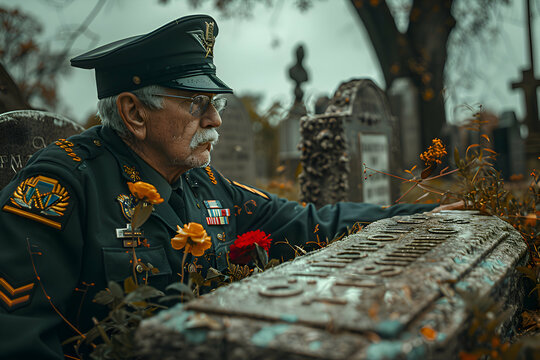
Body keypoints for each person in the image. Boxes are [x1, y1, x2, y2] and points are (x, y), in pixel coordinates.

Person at [0, 15, 453, 359]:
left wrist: (420, 218)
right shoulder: (63, 185)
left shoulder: (203, 182)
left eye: (214, 103)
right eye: (197, 103)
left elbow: (303, 222)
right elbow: (19, 336)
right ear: (135, 114)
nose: (215, 119)